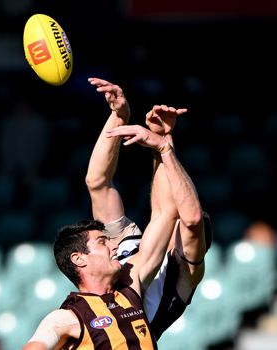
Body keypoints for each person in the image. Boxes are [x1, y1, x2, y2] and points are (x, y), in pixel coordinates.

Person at [22, 109, 179, 350]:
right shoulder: (65, 318)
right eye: (103, 242)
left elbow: (165, 213)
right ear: (78, 258)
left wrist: (163, 144)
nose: (115, 245)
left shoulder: (131, 283)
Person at [85, 78, 212, 340]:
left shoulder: (186, 273)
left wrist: (164, 147)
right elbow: (98, 183)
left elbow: (189, 218)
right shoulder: (130, 245)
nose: (176, 220)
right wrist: (119, 117)